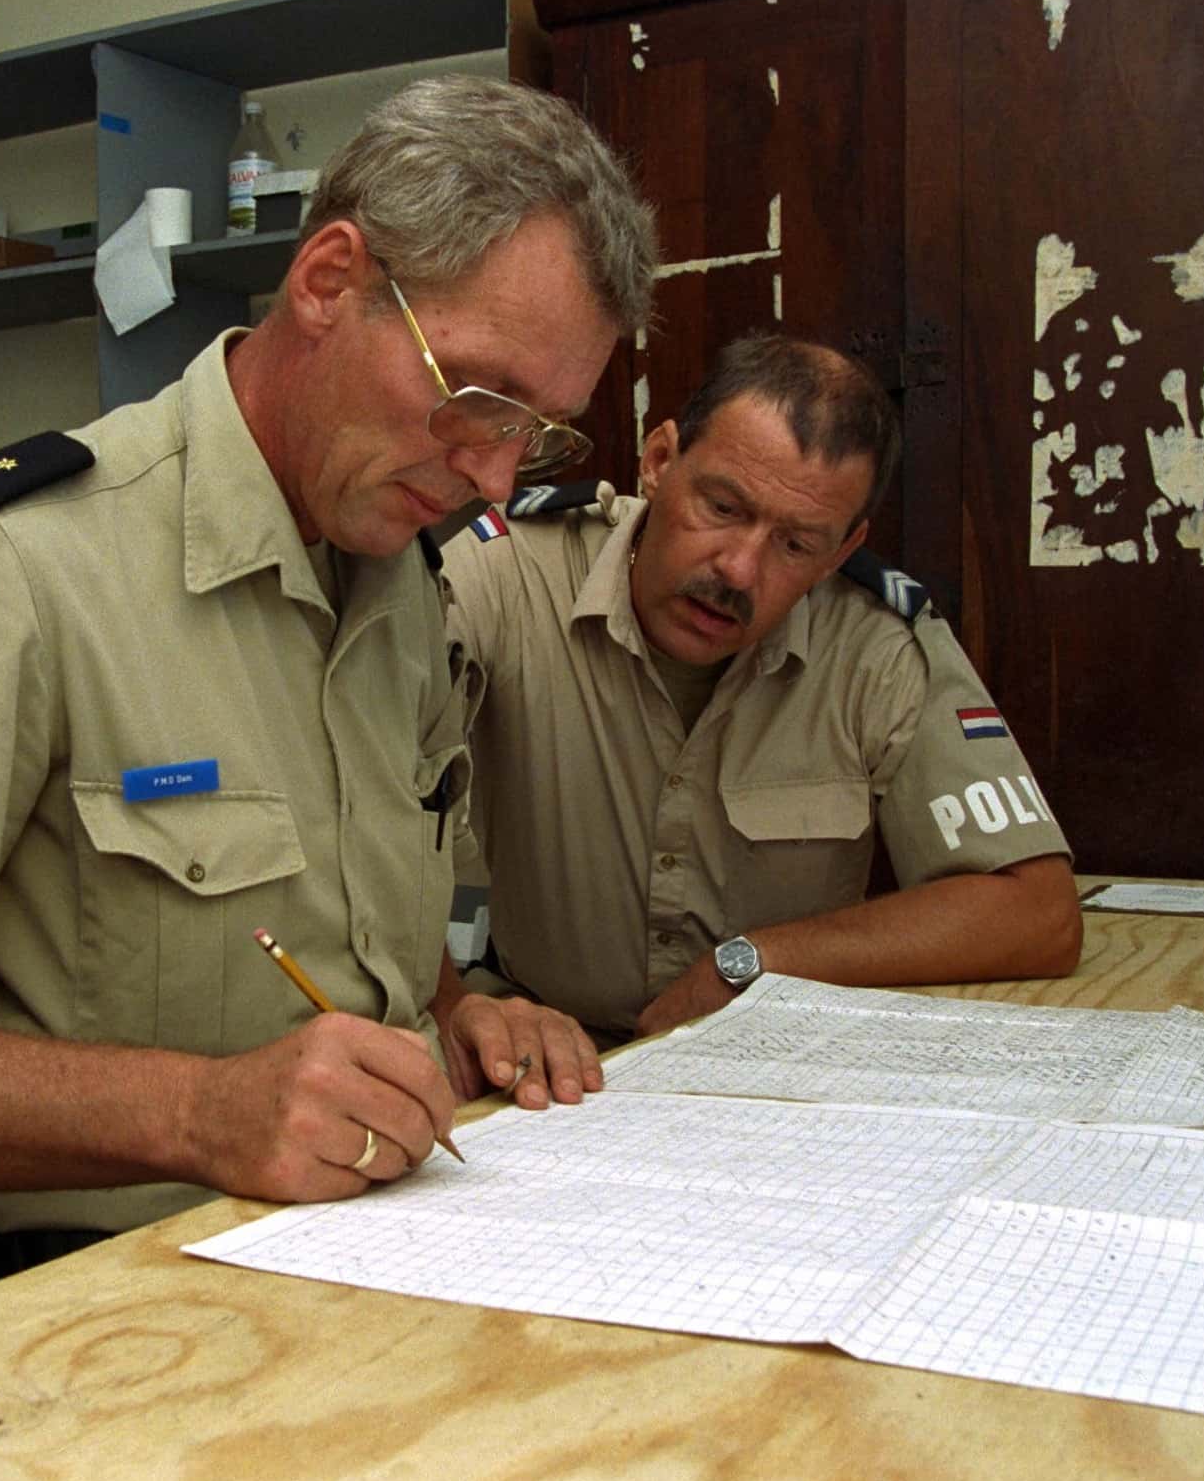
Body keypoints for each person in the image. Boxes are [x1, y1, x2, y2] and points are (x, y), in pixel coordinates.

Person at [0, 75, 657, 1290]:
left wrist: (456, 1007)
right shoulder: (12, 566)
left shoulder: (399, 573)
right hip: (94, 1297)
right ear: (328, 281)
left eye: (539, 429)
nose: (494, 475)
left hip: (381, 1250)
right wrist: (198, 1111)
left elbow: (358, 910)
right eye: (475, 397)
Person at [444, 334, 1081, 1043]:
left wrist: (754, 963)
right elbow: (356, 784)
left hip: (771, 1055)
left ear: (842, 551)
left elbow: (1039, 912)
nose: (740, 571)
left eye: (796, 544)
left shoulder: (875, 643)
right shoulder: (506, 571)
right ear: (659, 461)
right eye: (723, 507)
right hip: (541, 1050)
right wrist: (451, 1003)